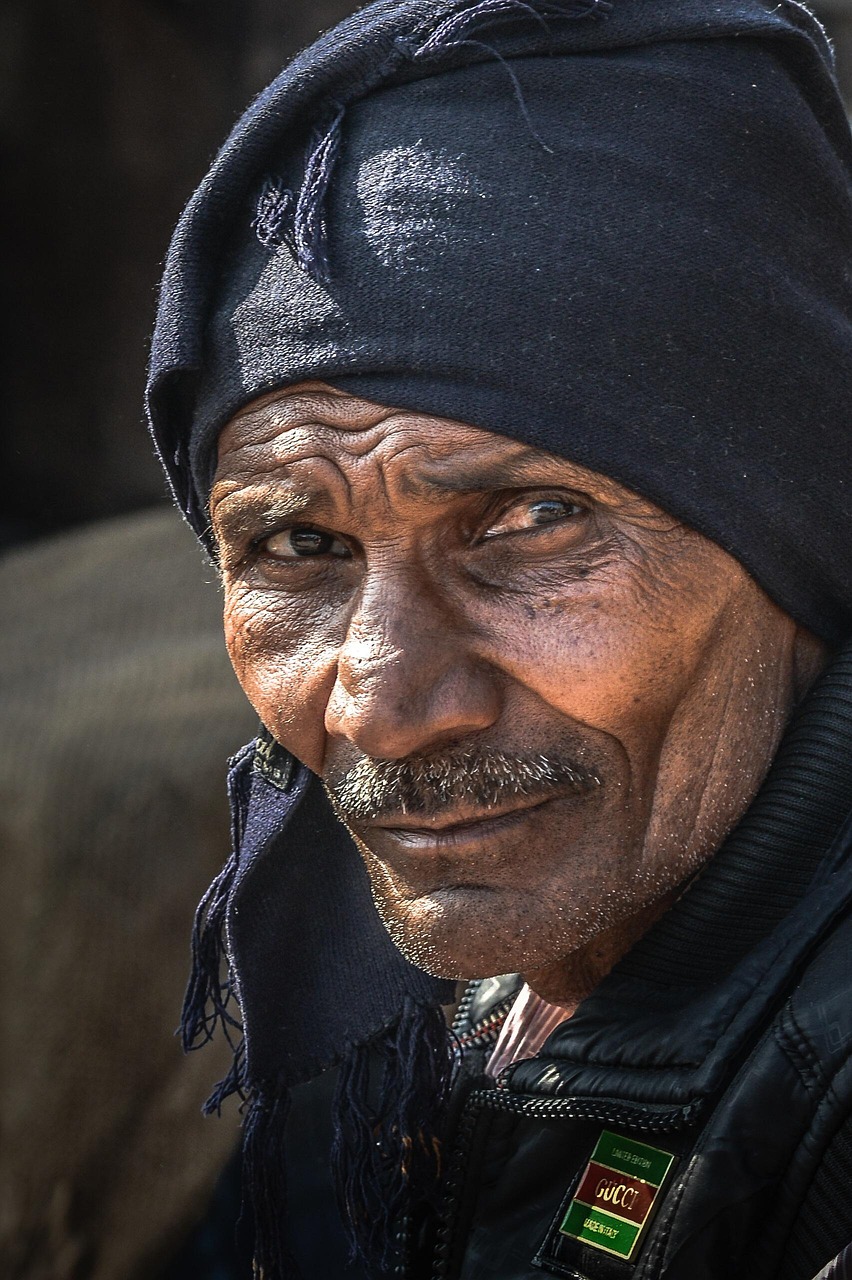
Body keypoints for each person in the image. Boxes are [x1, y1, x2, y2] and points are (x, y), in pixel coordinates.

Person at [146, 0, 852, 1276]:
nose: (382, 706)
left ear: (797, 529)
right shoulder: (385, 997)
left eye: (532, 521)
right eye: (298, 545)